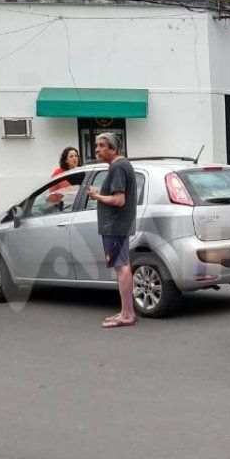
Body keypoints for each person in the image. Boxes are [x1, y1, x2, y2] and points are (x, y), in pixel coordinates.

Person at [86, 132, 138, 328]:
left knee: (122, 268)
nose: (96, 149)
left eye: (101, 145)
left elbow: (119, 200)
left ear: (113, 149)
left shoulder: (117, 167)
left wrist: (96, 196)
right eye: (96, 145)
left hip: (115, 225)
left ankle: (127, 315)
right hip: (117, 225)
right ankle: (126, 312)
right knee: (122, 266)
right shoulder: (121, 166)